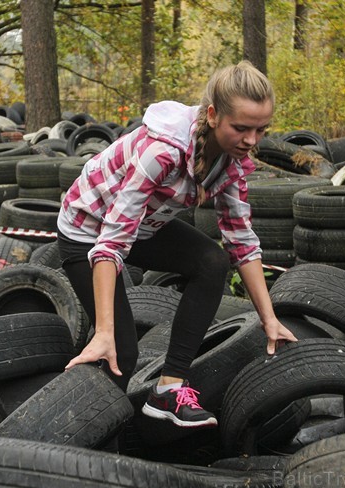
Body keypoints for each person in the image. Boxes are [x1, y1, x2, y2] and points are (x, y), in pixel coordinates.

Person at [57, 60, 297, 429]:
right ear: (214, 115)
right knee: (120, 352)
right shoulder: (162, 152)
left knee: (211, 263)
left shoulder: (232, 162)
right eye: (242, 128)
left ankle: (169, 389)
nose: (252, 141)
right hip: (88, 230)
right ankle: (87, 443)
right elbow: (112, 242)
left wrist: (270, 320)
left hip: (143, 228)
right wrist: (104, 332)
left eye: (261, 130)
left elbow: (242, 243)